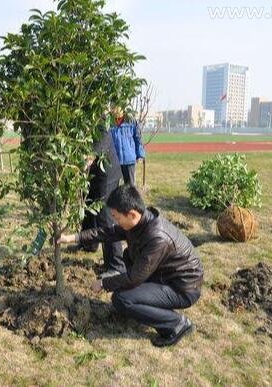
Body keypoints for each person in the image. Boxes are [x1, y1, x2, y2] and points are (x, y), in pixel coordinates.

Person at [59, 185, 204, 347]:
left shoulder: (157, 238)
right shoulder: (139, 222)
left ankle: (176, 324)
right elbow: (107, 233)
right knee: (128, 255)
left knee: (122, 299)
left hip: (183, 288)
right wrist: (72, 238)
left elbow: (135, 277)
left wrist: (104, 283)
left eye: (116, 217)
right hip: (165, 275)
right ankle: (143, 301)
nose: (115, 221)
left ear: (132, 214)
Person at [79, 127, 125, 276]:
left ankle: (116, 265)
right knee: (88, 206)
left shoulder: (97, 115)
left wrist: (88, 158)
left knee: (105, 214)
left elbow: (102, 137)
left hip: (107, 172)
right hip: (92, 173)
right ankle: (89, 244)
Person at [109, 106, 145, 185]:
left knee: (130, 186)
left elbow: (138, 137)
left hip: (129, 160)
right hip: (114, 161)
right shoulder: (109, 122)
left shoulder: (131, 120)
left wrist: (140, 154)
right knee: (113, 187)